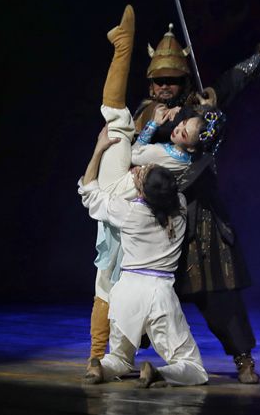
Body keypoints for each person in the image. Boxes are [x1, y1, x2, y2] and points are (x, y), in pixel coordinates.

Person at [130, 24, 260, 384]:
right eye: (159, 81)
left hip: (200, 217)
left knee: (220, 294)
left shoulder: (198, 110)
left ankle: (243, 358)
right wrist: (168, 121)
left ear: (184, 82)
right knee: (140, 293)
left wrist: (258, 59)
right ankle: (119, 355)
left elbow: (229, 85)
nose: (165, 87)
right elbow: (143, 142)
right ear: (150, 84)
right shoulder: (145, 114)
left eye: (172, 81)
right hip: (156, 221)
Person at [84, 5, 225, 383]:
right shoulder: (177, 205)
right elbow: (200, 150)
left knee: (106, 279)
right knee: (189, 363)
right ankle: (123, 363)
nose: (178, 128)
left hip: (125, 200)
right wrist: (209, 118)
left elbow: (108, 179)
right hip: (154, 274)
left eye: (184, 130)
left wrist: (101, 152)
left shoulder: (165, 162)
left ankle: (100, 359)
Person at [78, 124, 208, 387]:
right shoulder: (180, 207)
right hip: (159, 295)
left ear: (143, 192)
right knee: (194, 368)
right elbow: (170, 190)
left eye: (142, 173)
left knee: (120, 358)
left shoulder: (130, 213)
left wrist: (99, 150)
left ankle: (102, 368)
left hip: (126, 294)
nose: (139, 170)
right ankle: (159, 373)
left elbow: (89, 192)